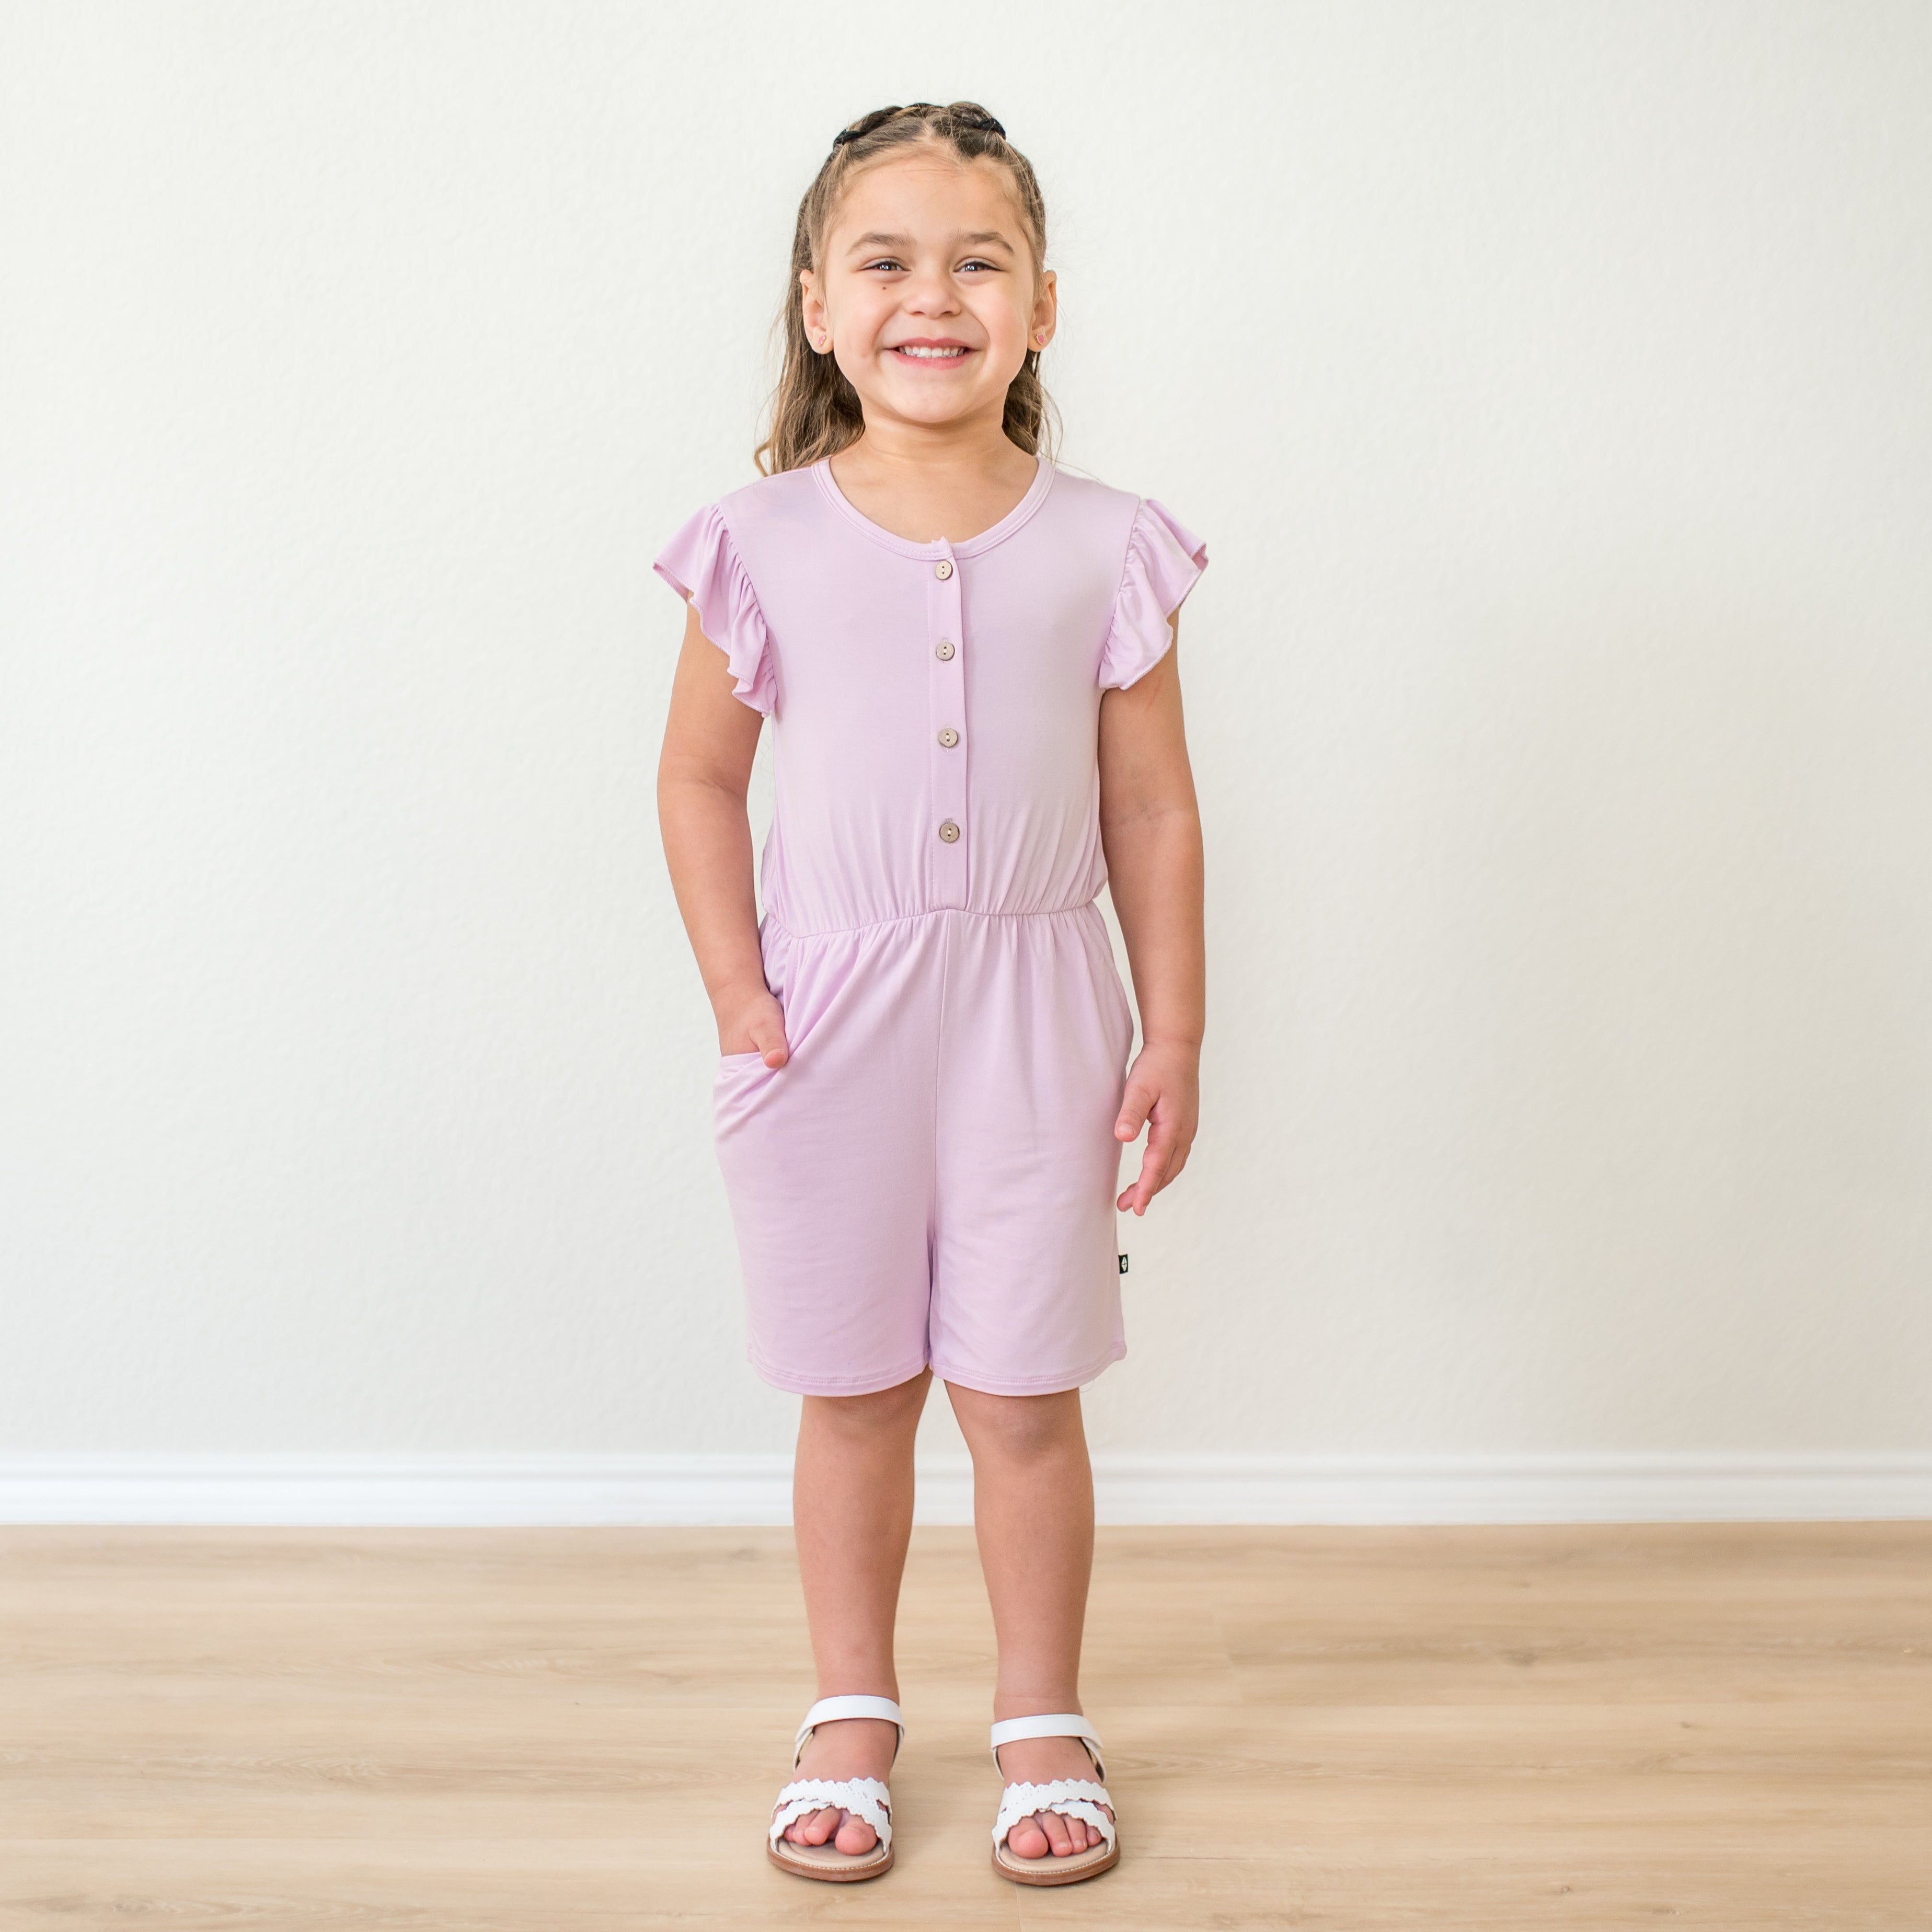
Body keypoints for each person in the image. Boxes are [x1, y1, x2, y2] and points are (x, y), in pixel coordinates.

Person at [653, 100, 1205, 1887]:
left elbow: (1150, 805)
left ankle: (1043, 1714)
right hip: (832, 1025)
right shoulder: (761, 538)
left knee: (1026, 1395)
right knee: (855, 1387)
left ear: (1044, 304)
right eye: (885, 260)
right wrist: (741, 983)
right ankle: (853, 1706)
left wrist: (1176, 1028)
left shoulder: (1109, 542)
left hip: (1044, 1018)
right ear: (818, 304)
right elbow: (698, 779)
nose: (932, 295)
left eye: (979, 260)